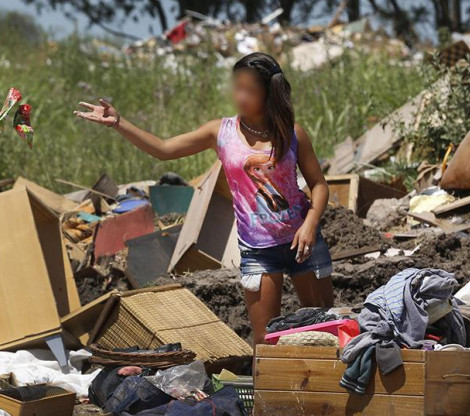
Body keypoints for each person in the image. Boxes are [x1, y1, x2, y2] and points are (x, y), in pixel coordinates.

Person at [74, 52, 334, 346]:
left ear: (269, 92)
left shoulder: (293, 133)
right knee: (266, 340)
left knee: (324, 328)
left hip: (303, 243)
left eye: (249, 90)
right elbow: (164, 149)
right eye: (237, 87)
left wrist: (310, 224)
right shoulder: (221, 132)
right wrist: (119, 123)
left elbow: (319, 185)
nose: (240, 96)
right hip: (259, 249)